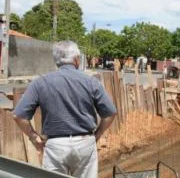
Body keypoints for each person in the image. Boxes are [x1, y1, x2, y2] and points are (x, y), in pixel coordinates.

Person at [13, 41, 116, 178]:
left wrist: (34, 138)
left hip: (55, 146)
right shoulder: (91, 82)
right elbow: (110, 112)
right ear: (76, 59)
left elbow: (19, 116)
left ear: (56, 61)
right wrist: (98, 134)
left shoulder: (40, 82)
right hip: (85, 143)